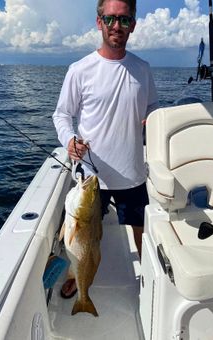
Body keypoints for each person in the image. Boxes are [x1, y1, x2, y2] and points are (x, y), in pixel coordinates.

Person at [53, 0, 158, 298]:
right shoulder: (80, 69)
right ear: (99, 22)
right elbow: (61, 114)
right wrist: (69, 140)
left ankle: (149, 277)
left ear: (133, 25)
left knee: (141, 229)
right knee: (81, 235)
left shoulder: (142, 69)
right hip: (91, 176)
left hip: (132, 173)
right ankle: (77, 273)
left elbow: (152, 106)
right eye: (110, 19)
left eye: (124, 20)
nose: (117, 26)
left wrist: (150, 119)